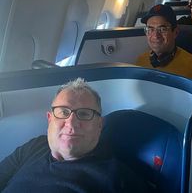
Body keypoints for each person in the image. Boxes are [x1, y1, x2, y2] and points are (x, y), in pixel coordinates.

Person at [0, 78, 149, 192]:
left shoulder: (117, 178)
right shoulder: (34, 146)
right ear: (50, 119)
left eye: (84, 114)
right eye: (63, 112)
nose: (71, 123)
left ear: (99, 125)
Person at [136, 4, 192, 123]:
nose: (155, 35)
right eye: (150, 29)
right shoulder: (140, 61)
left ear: (175, 32)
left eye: (162, 29)